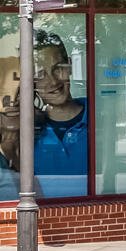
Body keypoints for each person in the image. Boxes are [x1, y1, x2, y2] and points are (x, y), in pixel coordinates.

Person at [31, 31, 90, 199]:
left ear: (70, 66)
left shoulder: (98, 115)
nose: (53, 81)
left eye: (58, 69)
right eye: (41, 75)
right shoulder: (28, 131)